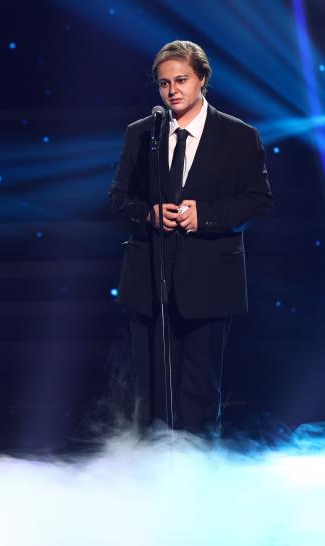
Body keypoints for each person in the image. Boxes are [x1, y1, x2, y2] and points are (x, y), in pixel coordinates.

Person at [109, 40, 272, 435]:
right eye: (164, 83)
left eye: (181, 80)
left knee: (198, 394)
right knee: (152, 393)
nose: (172, 90)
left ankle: (197, 466)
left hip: (210, 281)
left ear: (202, 79)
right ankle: (154, 464)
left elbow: (258, 200)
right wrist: (149, 213)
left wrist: (207, 216)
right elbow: (118, 199)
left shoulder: (238, 135)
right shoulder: (141, 134)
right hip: (150, 281)